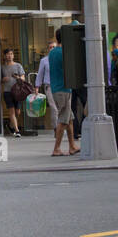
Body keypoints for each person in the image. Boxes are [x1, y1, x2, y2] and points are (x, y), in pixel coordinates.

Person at [47, 29, 78, 157]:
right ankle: (56, 148)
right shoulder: (64, 53)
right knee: (63, 120)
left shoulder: (52, 52)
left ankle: (72, 146)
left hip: (57, 88)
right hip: (63, 89)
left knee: (69, 118)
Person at [0, 48, 25, 137]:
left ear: (13, 55)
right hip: (7, 91)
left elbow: (23, 78)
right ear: (4, 56)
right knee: (12, 111)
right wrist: (3, 79)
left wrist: (17, 77)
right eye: (7, 54)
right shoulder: (2, 67)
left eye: (11, 54)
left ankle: (10, 126)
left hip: (17, 91)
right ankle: (17, 130)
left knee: (17, 112)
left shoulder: (18, 66)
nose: (9, 56)